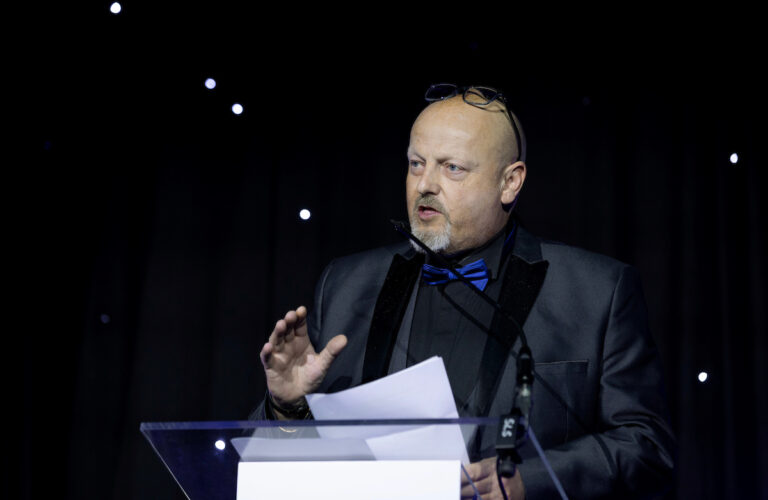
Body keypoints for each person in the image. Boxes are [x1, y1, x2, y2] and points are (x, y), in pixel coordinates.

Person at [252, 84, 676, 499]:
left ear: (510, 182)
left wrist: (530, 481)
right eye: (416, 164)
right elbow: (275, 467)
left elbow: (647, 447)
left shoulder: (596, 290)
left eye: (452, 167)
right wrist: (287, 408)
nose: (425, 185)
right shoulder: (346, 285)